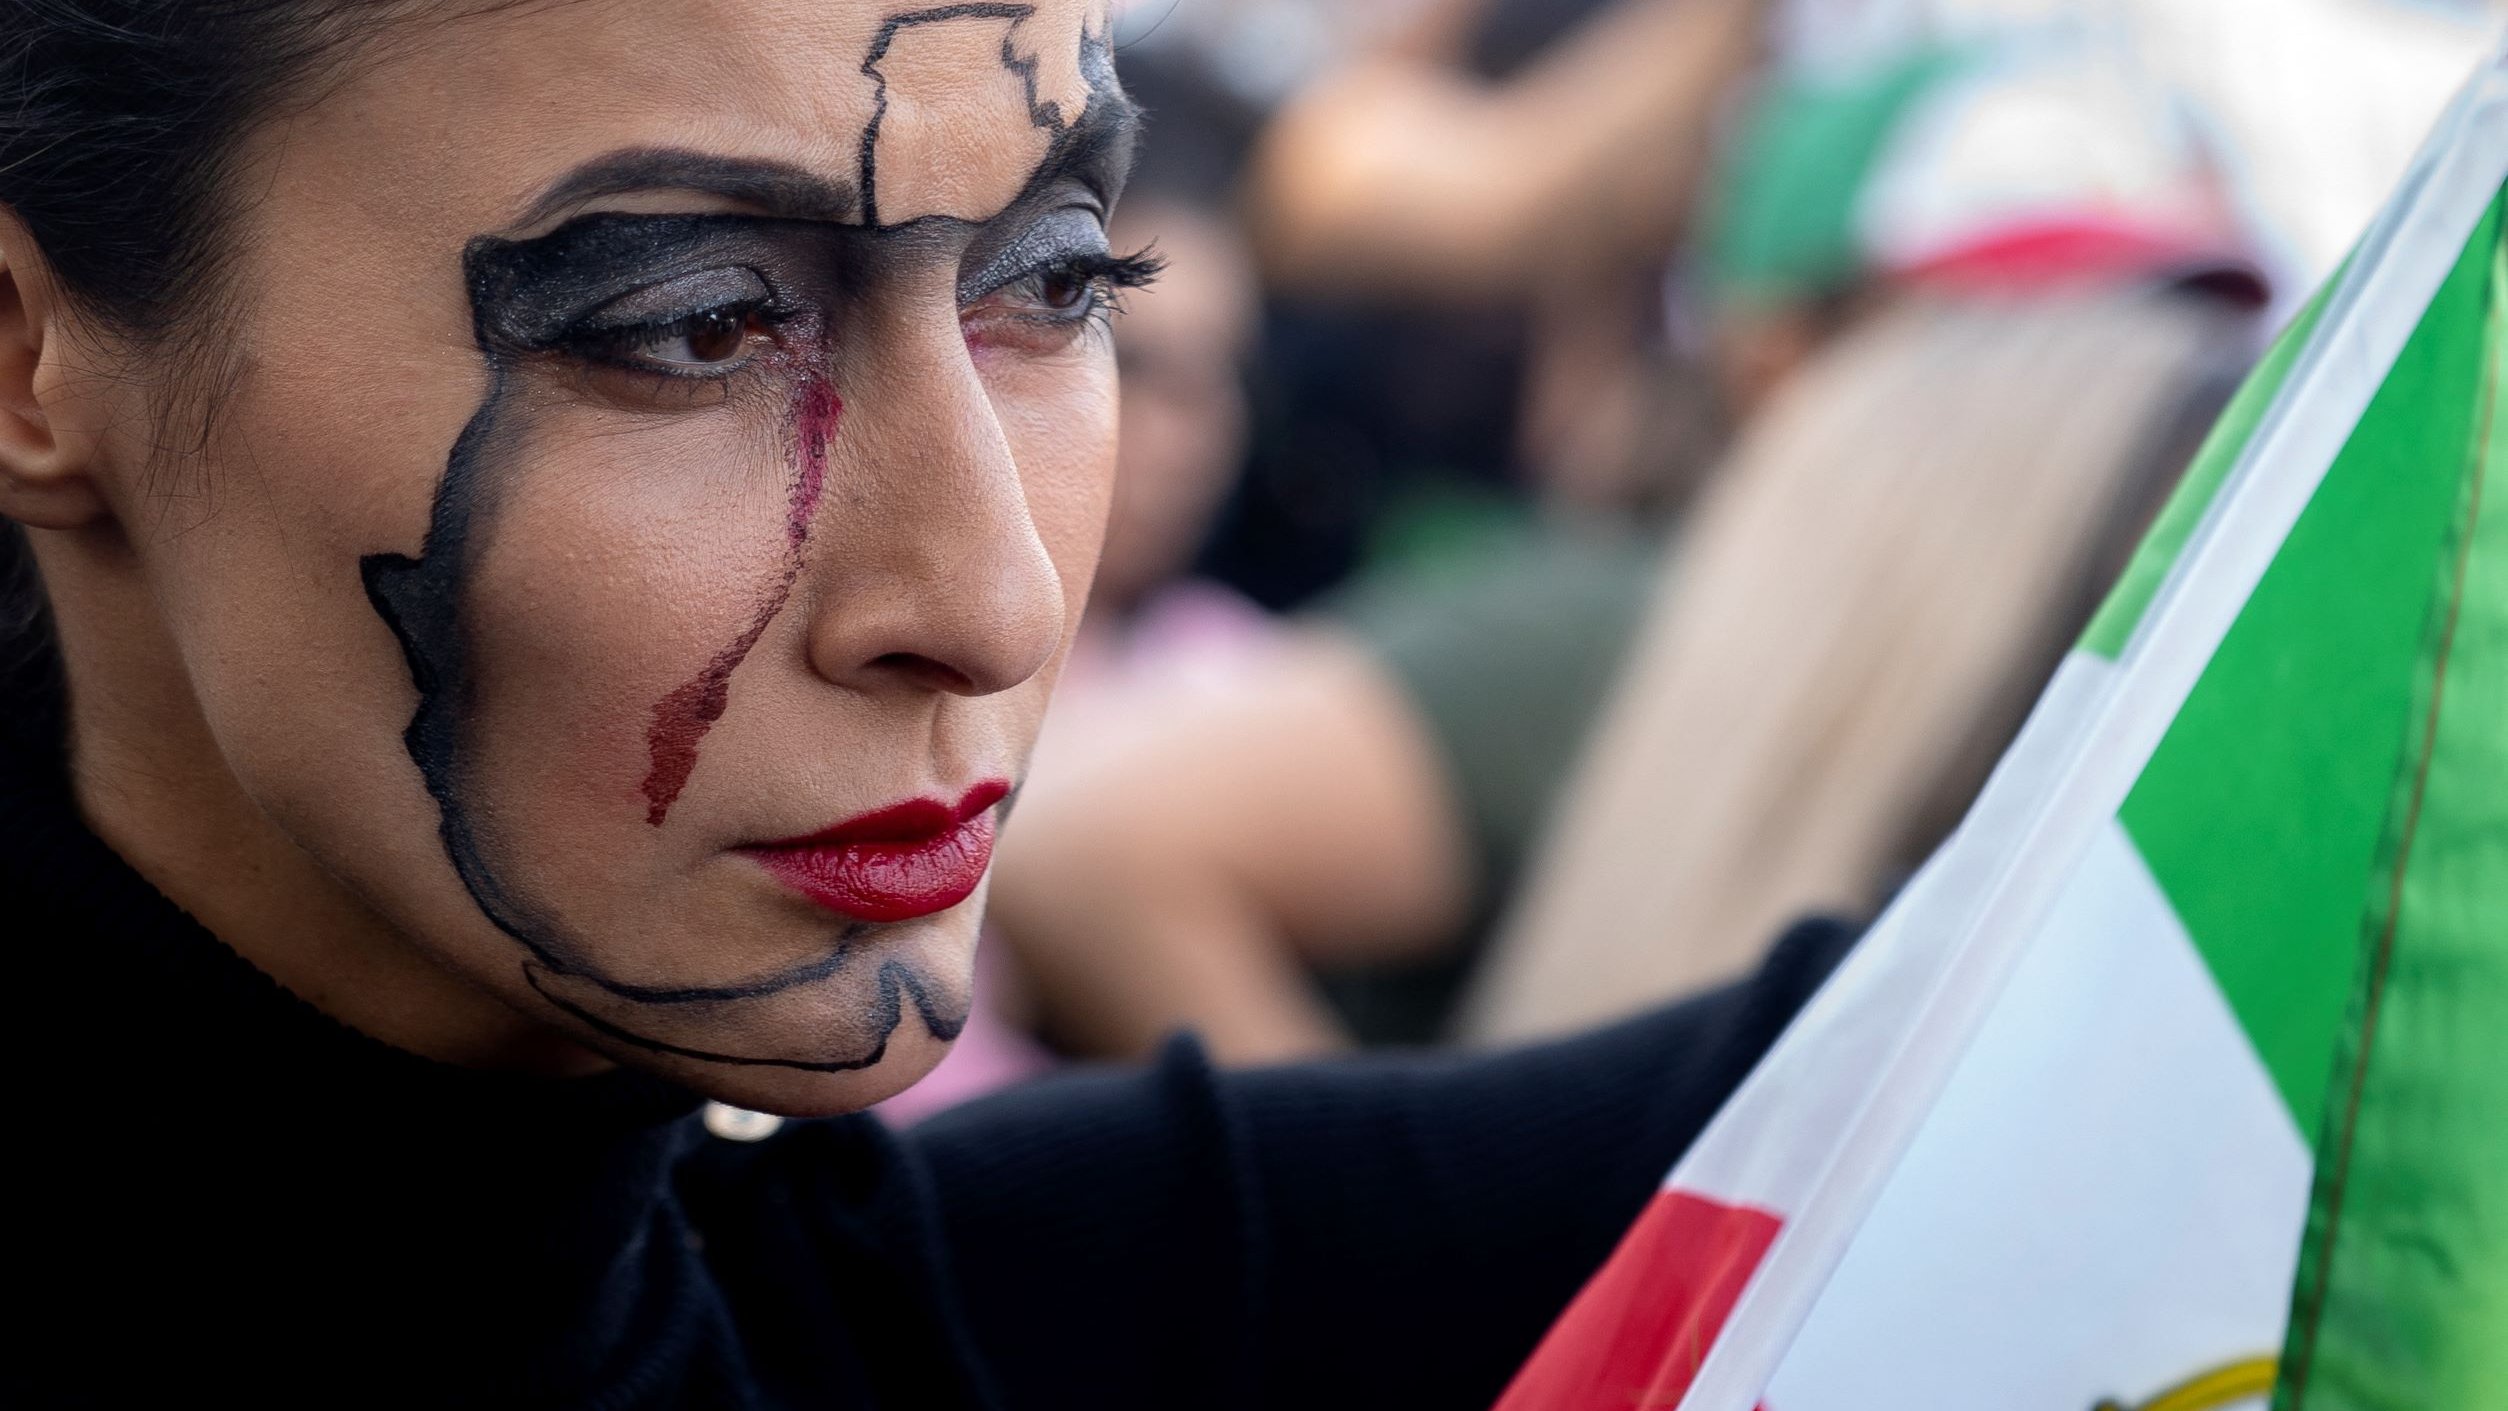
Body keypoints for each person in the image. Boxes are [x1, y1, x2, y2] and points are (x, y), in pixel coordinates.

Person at [0, 2, 1853, 1405]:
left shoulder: (919, 1307)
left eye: (1053, 280)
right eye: (699, 321)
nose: (992, 599)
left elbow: (1979, 1020)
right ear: (29, 364)